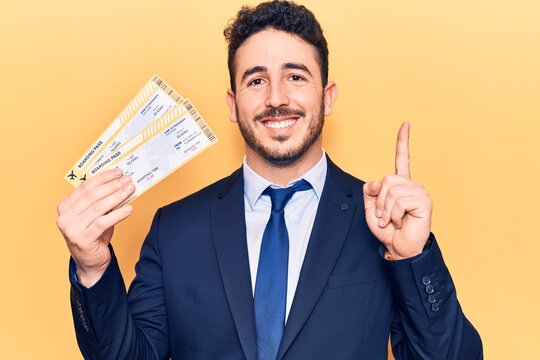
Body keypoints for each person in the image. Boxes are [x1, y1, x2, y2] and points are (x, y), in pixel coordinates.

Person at [57, 1, 483, 359]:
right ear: (233, 102)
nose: (276, 97)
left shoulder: (383, 223)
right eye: (256, 80)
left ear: (327, 96)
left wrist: (413, 257)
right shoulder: (175, 230)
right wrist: (92, 266)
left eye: (295, 76)